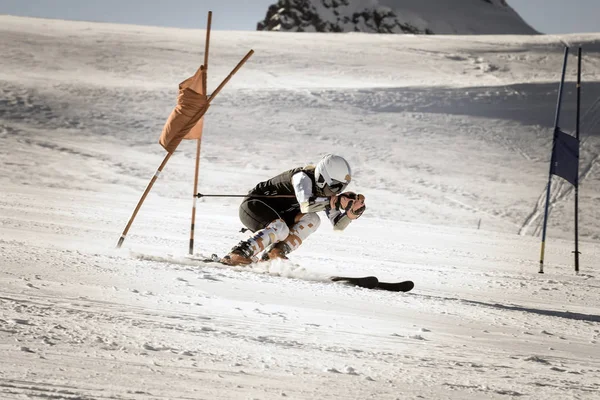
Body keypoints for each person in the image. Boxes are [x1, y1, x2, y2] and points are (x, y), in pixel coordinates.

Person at [221, 154, 366, 266]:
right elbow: (306, 204)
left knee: (313, 219)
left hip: (280, 214)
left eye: (341, 187)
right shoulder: (302, 177)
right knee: (281, 228)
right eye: (334, 186)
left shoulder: (327, 191)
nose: (336, 191)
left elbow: (338, 225)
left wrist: (350, 213)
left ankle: (274, 254)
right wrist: (332, 202)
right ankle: (238, 253)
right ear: (323, 177)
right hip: (254, 205)